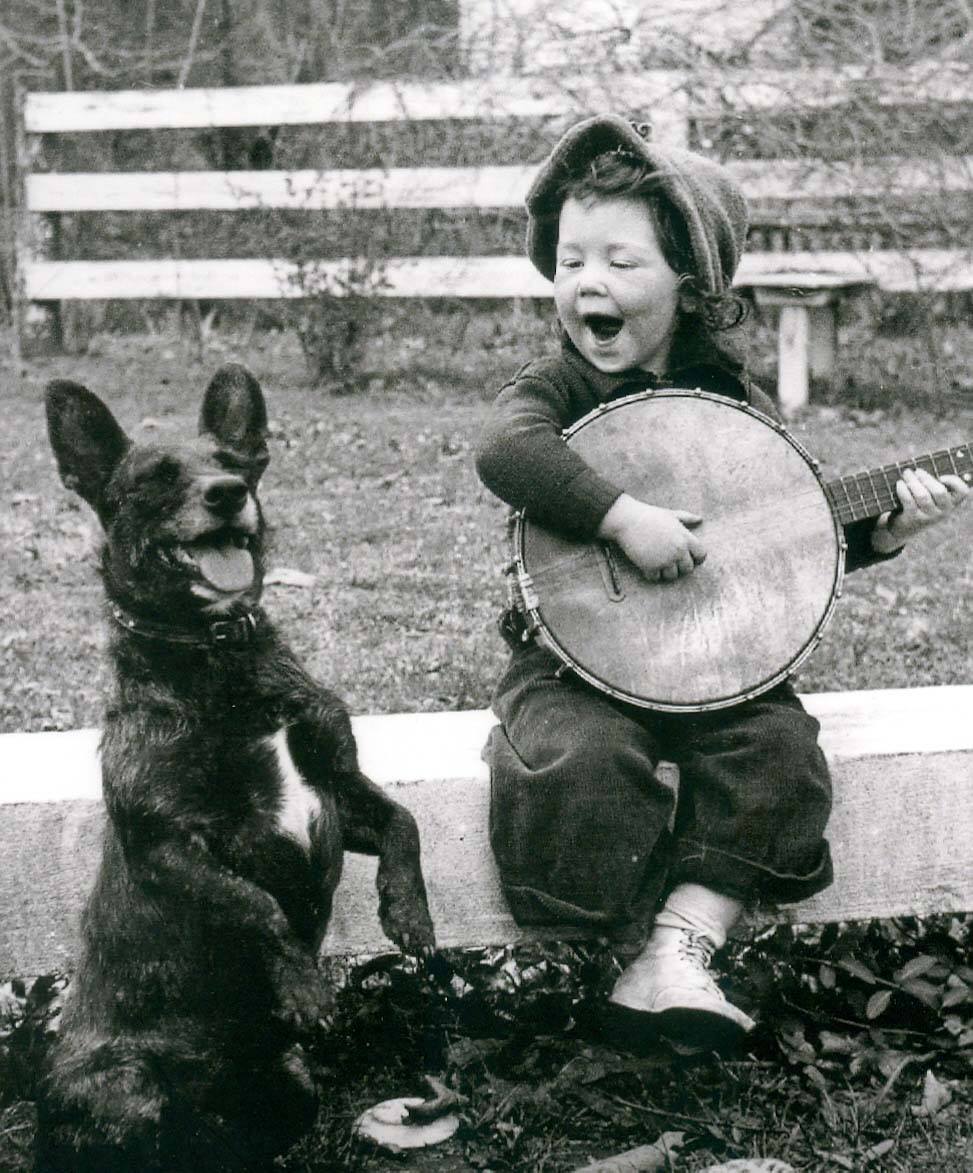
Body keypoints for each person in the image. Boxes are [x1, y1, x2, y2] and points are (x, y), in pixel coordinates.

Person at [474, 113, 969, 1046]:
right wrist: (622, 516)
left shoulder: (728, 405)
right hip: (571, 659)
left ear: (691, 284)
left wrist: (888, 528)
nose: (588, 283)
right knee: (580, 760)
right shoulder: (556, 385)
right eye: (572, 260)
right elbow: (506, 451)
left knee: (777, 749)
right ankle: (603, 951)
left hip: (711, 660)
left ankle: (677, 946)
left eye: (621, 263)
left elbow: (774, 537)